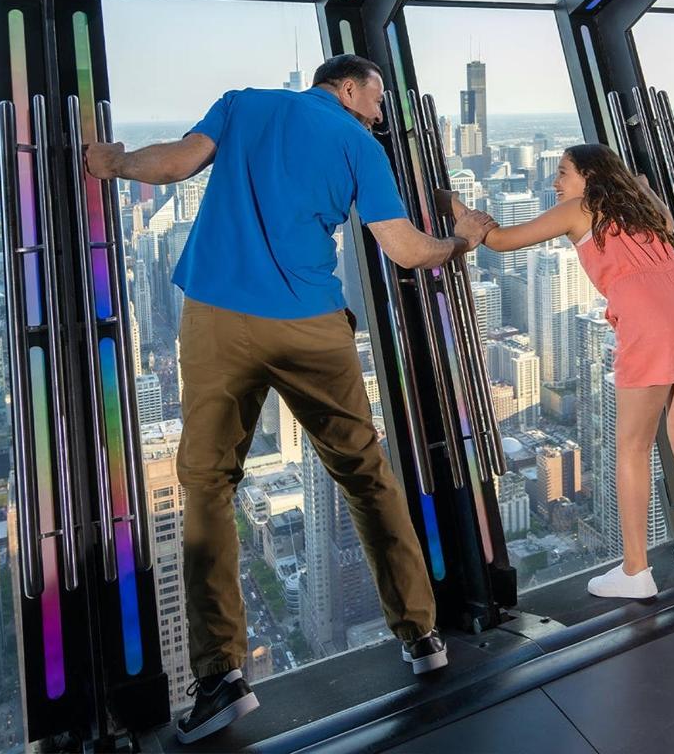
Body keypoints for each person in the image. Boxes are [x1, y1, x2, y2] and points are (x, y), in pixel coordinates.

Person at [85, 54, 497, 744]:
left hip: (217, 318)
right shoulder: (358, 145)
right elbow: (405, 250)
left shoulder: (242, 104)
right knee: (365, 474)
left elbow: (178, 163)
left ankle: (220, 676)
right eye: (376, 99)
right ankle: (421, 634)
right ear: (346, 86)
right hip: (310, 327)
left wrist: (114, 163)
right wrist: (462, 241)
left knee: (207, 486)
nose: (379, 115)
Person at [447, 143, 674, 599]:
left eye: (563, 172)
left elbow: (499, 241)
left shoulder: (579, 208)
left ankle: (636, 571)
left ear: (589, 176)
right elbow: (662, 217)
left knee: (633, 448)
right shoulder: (644, 208)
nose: (555, 182)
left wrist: (453, 205)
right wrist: (639, 183)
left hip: (652, 317)